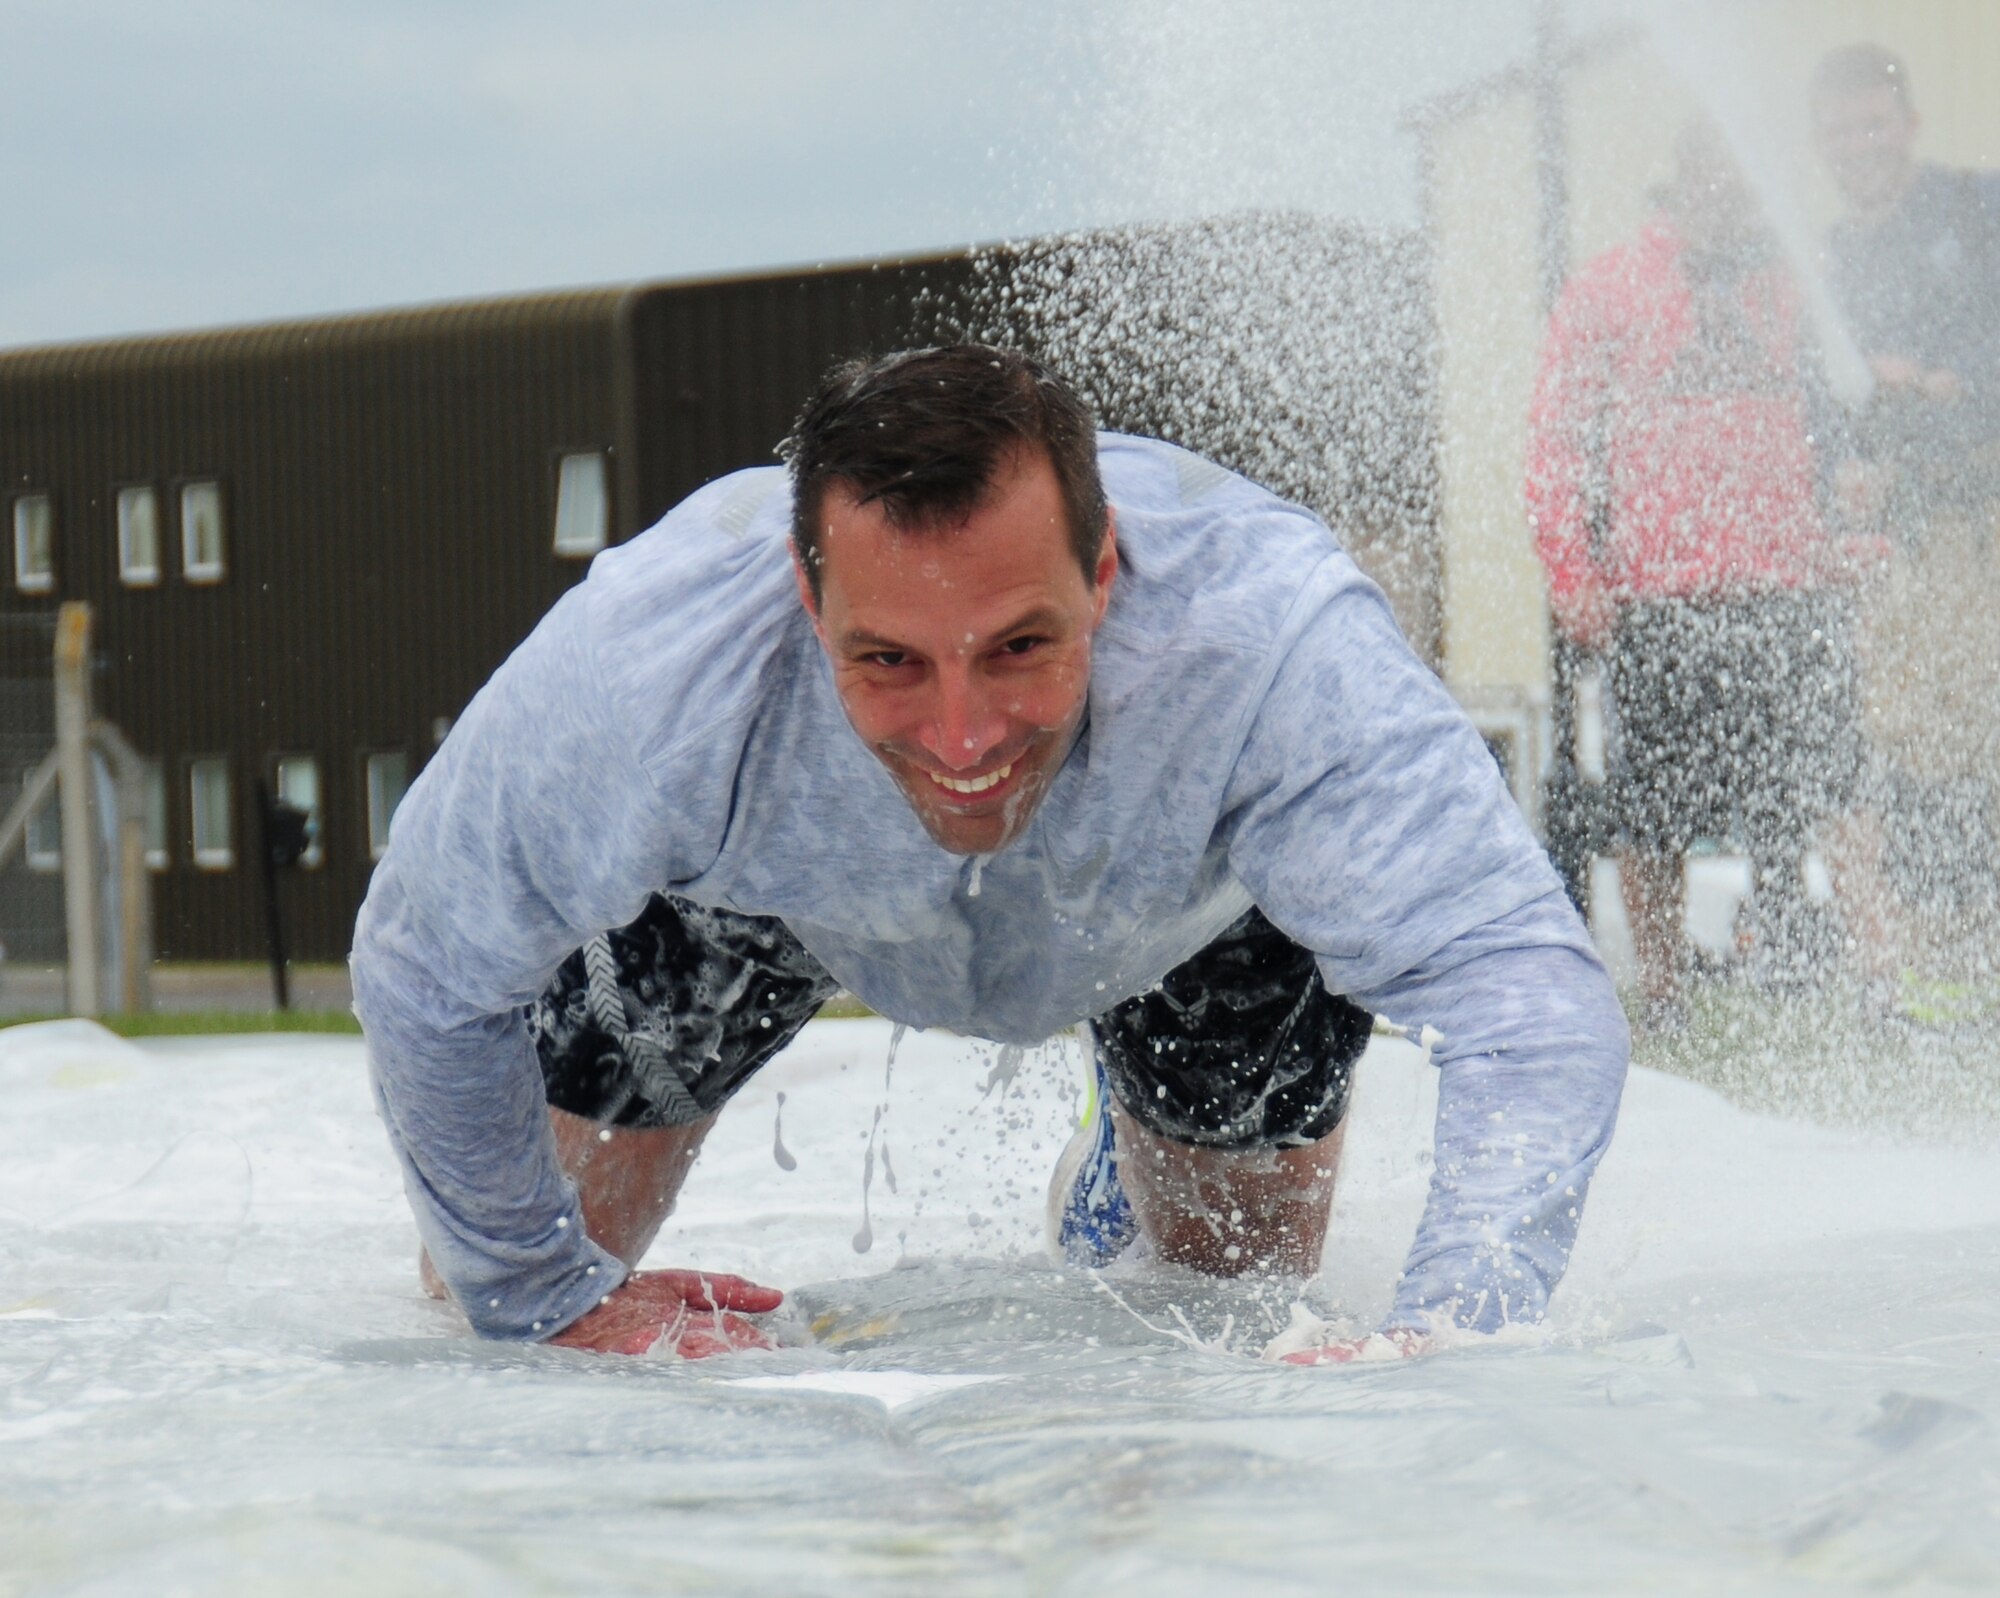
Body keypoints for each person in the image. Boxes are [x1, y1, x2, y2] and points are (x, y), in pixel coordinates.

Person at [351, 344, 1627, 1361]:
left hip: (1186, 910)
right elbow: (425, 963)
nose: (961, 736)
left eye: (1020, 645)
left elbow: (1522, 990)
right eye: (888, 658)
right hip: (753, 900)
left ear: (1104, 570)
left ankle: (1119, 1171)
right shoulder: (653, 666)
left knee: (1223, 1308)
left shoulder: (1273, 640)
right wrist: (536, 1291)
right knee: (495, 1312)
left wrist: (1460, 1324)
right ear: (808, 600)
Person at [1526, 123, 1866, 1025]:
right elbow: (1557, 438)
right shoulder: (1612, 285)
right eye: (1714, 172)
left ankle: (1822, 979)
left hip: (1788, 585)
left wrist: (1848, 531)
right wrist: (1572, 567)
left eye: (1746, 175)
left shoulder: (1795, 275)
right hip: (1659, 591)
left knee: (1804, 797)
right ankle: (1666, 997)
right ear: (1679, 178)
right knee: (1655, 811)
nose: (1733, 190)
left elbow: (1846, 411)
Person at [1811, 43, 2000, 1018]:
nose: (1858, 143)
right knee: (1920, 759)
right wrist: (1841, 467)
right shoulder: (1829, 259)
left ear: (1908, 123)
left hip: (1982, 517)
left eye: (1871, 121)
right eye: (1838, 129)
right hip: (1909, 551)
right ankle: (1945, 975)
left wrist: (1943, 386)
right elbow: (1821, 415)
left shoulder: (1976, 211)